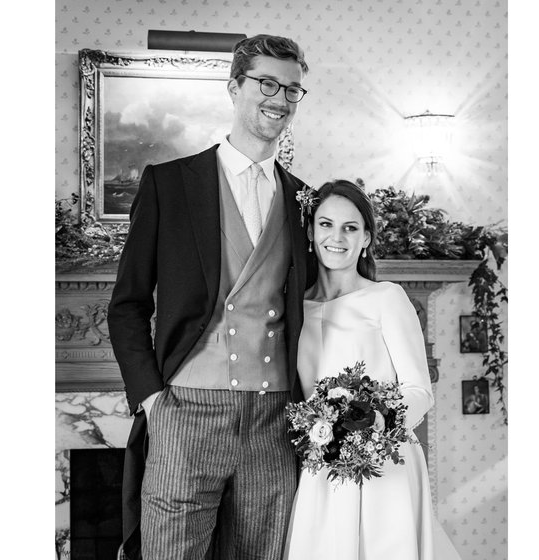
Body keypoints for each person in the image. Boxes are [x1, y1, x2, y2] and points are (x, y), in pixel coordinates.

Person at [107, 34, 313, 560]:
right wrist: (153, 399)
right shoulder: (168, 185)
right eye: (267, 83)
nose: (280, 99)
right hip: (185, 410)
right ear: (233, 87)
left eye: (292, 89)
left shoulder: (303, 199)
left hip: (274, 419)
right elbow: (127, 304)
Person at [284, 180, 462, 560]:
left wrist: (379, 420)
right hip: (323, 468)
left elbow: (420, 390)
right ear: (311, 232)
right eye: (326, 224)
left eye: (351, 228)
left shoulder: (387, 298)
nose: (337, 237)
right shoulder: (293, 308)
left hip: (384, 465)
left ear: (366, 238)